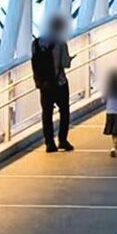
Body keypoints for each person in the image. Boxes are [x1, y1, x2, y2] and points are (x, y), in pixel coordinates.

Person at [30, 14, 74, 152]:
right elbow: (65, 63)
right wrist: (69, 59)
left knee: (47, 113)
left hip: (44, 84)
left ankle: (49, 143)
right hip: (59, 82)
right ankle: (62, 140)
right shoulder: (60, 43)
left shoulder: (36, 43)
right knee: (64, 111)